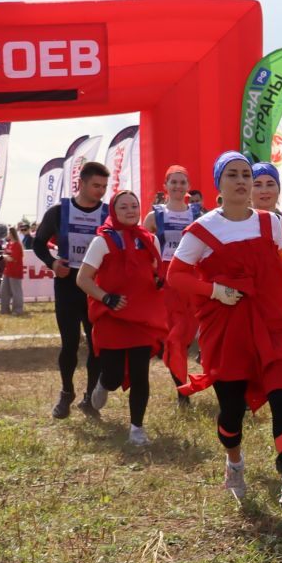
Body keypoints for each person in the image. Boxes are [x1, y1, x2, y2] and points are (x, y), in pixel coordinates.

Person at [165, 151, 282, 507]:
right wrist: (215, 291)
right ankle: (234, 461)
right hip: (226, 330)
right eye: (232, 175)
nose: (241, 182)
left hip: (271, 325)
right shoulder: (203, 229)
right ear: (218, 184)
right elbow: (174, 275)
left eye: (246, 176)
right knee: (231, 409)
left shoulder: (270, 225)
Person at [76, 190, 167, 446]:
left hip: (141, 319)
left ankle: (137, 428)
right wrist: (106, 297)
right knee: (114, 376)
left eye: (134, 206)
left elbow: (154, 273)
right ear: (114, 211)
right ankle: (104, 384)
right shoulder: (102, 241)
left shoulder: (150, 240)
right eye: (124, 206)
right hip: (112, 317)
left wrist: (159, 280)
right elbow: (82, 279)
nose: (130, 210)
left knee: (140, 374)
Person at [32, 160, 110, 420]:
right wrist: (52, 262)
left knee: (97, 343)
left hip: (96, 285)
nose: (100, 191)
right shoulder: (58, 212)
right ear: (81, 183)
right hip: (67, 283)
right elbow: (39, 242)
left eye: (104, 186)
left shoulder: (109, 213)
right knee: (70, 343)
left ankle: (89, 398)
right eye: (96, 185)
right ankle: (67, 392)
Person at [146, 165, 206, 401]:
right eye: (174, 182)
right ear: (165, 187)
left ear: (188, 186)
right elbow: (145, 248)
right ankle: (182, 390)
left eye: (182, 182)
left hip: (191, 282)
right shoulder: (154, 216)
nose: (178, 186)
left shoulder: (198, 215)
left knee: (187, 336)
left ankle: (186, 382)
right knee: (174, 338)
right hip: (166, 285)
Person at [0, 223, 26, 315]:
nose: (6, 234)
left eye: (7, 232)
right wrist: (5, 256)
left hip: (15, 271)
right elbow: (6, 256)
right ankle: (4, 310)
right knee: (4, 291)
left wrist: (5, 256)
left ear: (11, 233)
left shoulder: (17, 245)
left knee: (16, 292)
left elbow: (12, 259)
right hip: (7, 271)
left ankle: (18, 310)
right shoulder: (9, 244)